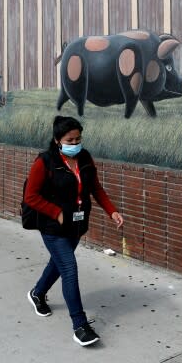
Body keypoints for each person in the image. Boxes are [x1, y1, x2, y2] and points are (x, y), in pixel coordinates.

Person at [24, 115, 124, 347]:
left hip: (76, 225)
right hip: (53, 227)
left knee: (57, 264)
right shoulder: (45, 161)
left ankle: (37, 293)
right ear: (58, 140)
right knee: (69, 268)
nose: (75, 143)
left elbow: (96, 189)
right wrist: (55, 212)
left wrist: (112, 211)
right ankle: (80, 325)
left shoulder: (85, 158)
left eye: (78, 138)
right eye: (70, 140)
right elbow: (31, 196)